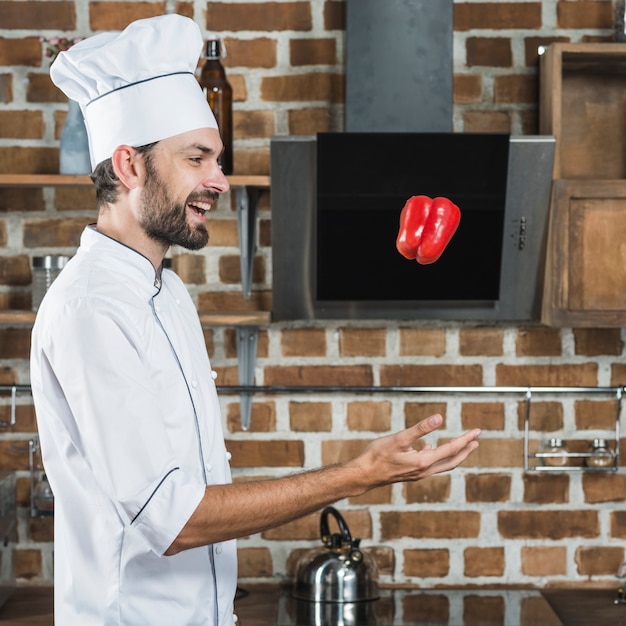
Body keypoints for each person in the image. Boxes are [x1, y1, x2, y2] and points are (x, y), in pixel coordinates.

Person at [29, 14, 481, 626]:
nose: (219, 180)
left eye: (217, 159)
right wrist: (357, 474)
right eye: (197, 159)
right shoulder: (90, 308)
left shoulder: (166, 294)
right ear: (130, 166)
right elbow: (176, 519)